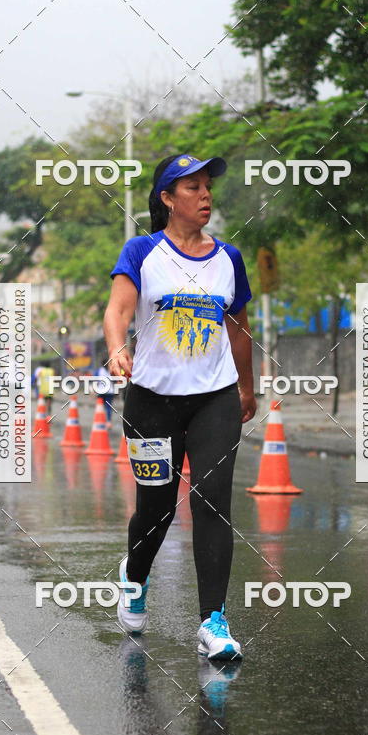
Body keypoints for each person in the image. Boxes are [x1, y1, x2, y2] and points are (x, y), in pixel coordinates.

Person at [105, 153, 256, 661]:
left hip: (214, 397)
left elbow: (238, 328)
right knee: (158, 508)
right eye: (191, 187)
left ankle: (213, 621)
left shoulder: (228, 259)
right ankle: (135, 574)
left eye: (207, 186)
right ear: (168, 199)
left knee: (212, 499)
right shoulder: (142, 251)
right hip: (152, 400)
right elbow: (118, 310)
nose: (205, 195)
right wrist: (116, 347)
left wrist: (247, 389)